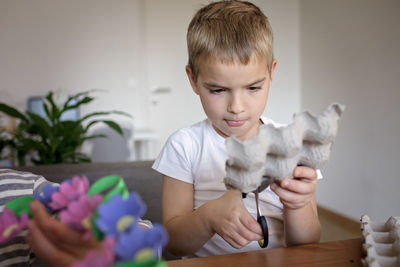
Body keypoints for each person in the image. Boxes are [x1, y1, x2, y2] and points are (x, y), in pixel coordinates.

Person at [152, 0, 321, 258]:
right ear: (193, 79)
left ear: (271, 72)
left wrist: (298, 205)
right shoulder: (184, 145)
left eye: (253, 88)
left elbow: (307, 244)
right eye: (218, 90)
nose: (237, 107)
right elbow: (173, 243)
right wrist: (207, 218)